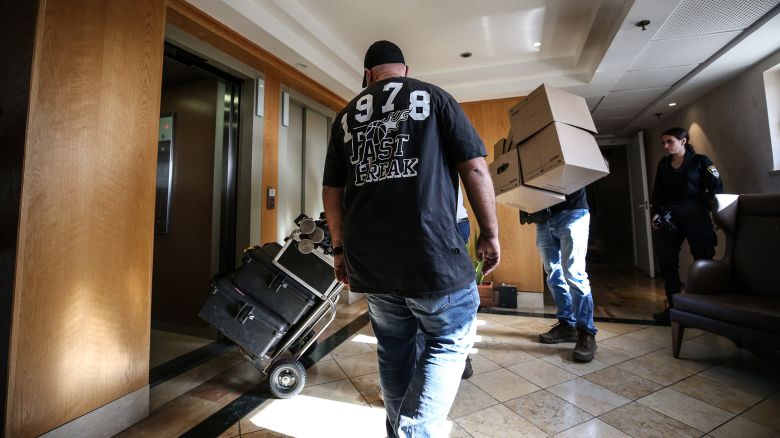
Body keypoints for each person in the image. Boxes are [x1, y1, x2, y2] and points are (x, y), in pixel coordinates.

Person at [322, 40, 499, 437]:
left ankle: (396, 429)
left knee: (395, 347)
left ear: (367, 75)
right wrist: (490, 232)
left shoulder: (346, 116)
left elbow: (331, 191)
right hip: (430, 254)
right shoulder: (434, 97)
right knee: (449, 341)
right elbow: (473, 168)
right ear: (405, 69)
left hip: (371, 261)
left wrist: (338, 250)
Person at [650, 127, 723, 323]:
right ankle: (674, 308)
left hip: (696, 213)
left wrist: (716, 213)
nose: (665, 146)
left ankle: (704, 309)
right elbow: (658, 192)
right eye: (663, 143)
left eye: (669, 142)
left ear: (683, 141)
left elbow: (717, 187)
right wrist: (656, 212)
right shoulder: (664, 164)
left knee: (703, 259)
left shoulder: (701, 161)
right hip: (670, 214)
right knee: (666, 260)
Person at [519, 188, 598, 362]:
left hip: (572, 212)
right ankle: (567, 325)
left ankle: (586, 333)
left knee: (574, 274)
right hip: (543, 218)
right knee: (553, 274)